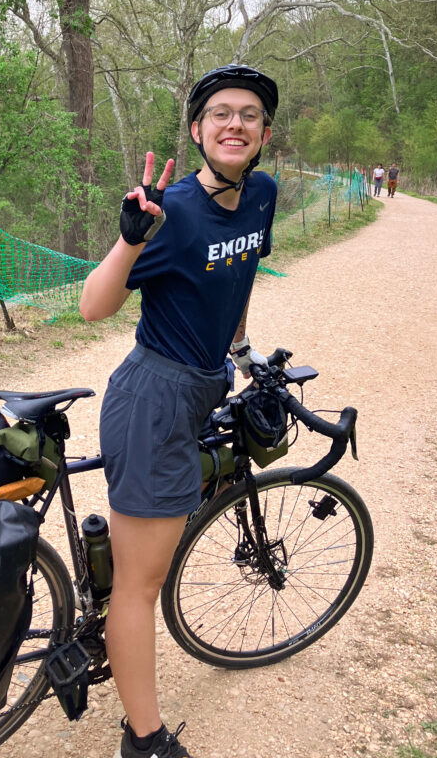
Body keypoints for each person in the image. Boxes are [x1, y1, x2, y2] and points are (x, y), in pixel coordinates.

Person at [79, 64, 278, 758]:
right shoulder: (174, 212)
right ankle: (143, 740)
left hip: (205, 384)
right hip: (154, 399)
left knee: (141, 562)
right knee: (141, 584)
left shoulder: (262, 197)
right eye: (219, 113)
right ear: (197, 131)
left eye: (249, 114)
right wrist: (131, 236)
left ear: (264, 134)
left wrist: (245, 355)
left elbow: (242, 273)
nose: (234, 123)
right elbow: (92, 307)